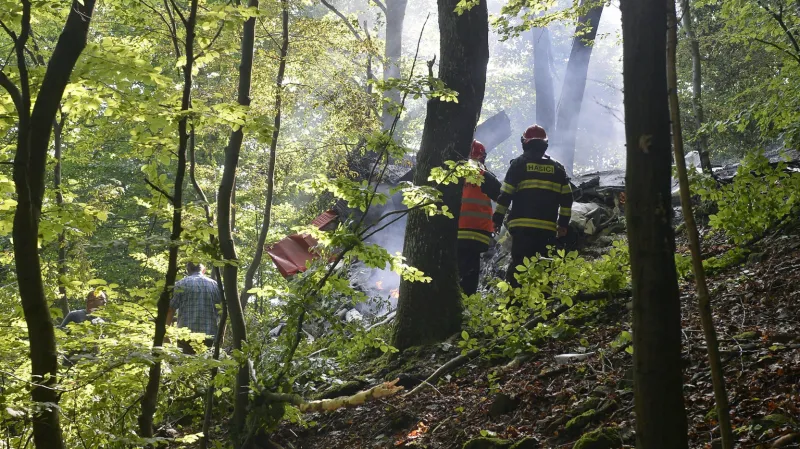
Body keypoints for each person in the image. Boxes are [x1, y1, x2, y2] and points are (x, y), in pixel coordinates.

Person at [492, 125, 573, 288]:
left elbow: (505, 196)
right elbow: (567, 199)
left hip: (522, 229)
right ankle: (543, 307)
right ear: (545, 144)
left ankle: (514, 306)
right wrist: (563, 224)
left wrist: (497, 220)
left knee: (519, 267)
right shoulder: (557, 169)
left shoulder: (518, 165)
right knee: (544, 267)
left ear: (525, 143)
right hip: (547, 230)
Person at [457, 139, 502, 295]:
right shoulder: (485, 176)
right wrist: (498, 220)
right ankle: (467, 302)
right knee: (470, 271)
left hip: (454, 233)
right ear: (482, 157)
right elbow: (503, 197)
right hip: (478, 233)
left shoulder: (452, 176)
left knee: (454, 269)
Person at [166, 262, 222, 354]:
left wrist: (166, 336)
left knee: (185, 365)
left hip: (185, 337)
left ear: (188, 271)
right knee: (207, 366)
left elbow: (170, 310)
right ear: (203, 270)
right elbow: (223, 311)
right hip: (209, 337)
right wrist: (221, 335)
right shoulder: (215, 285)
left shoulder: (180, 284)